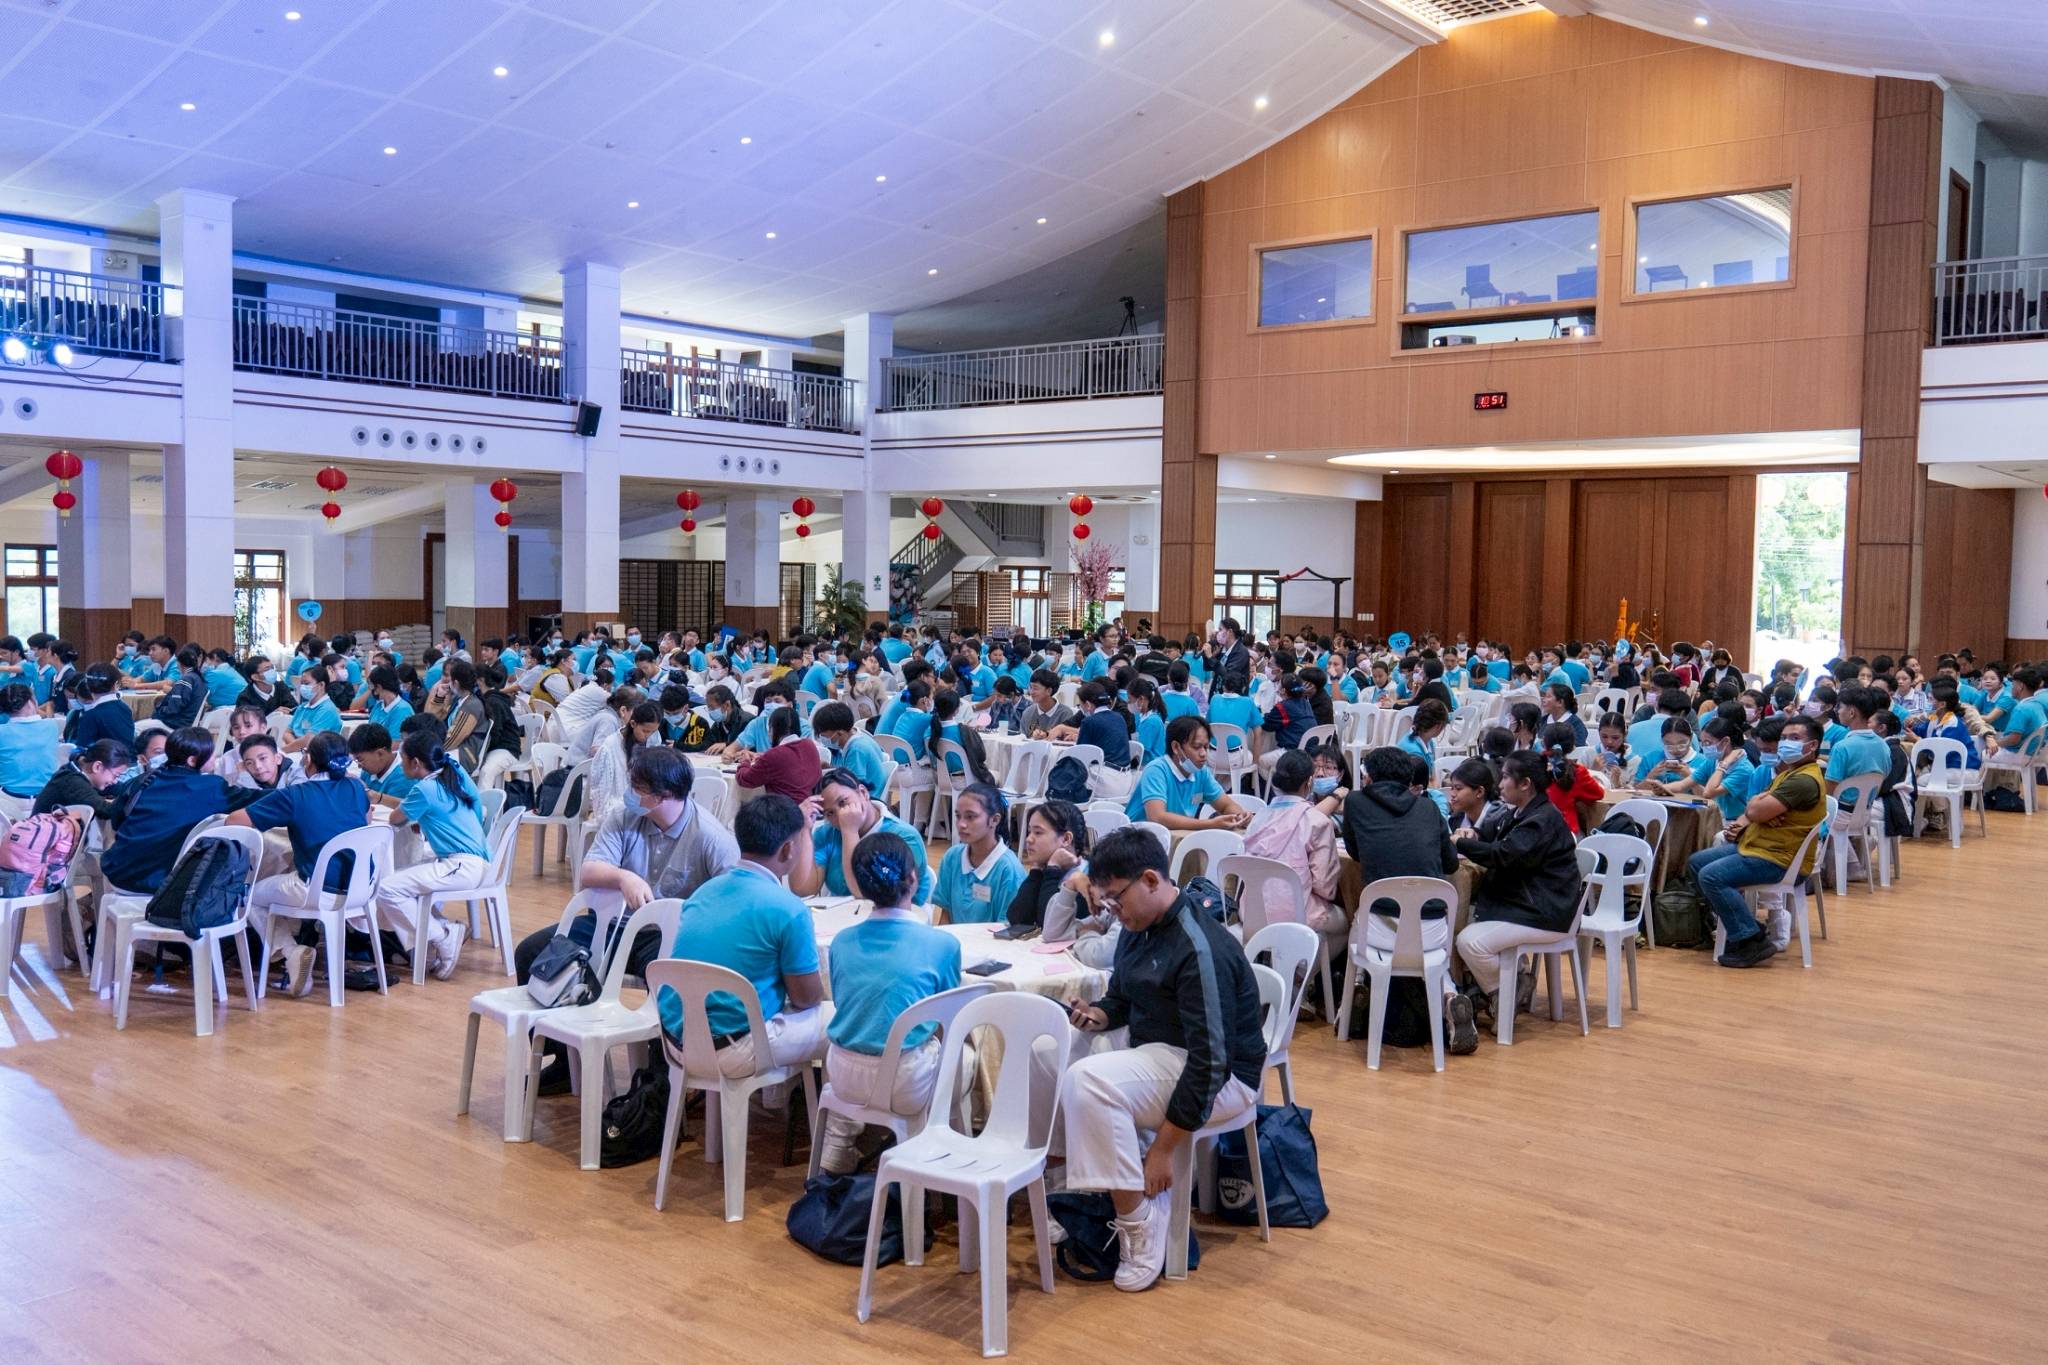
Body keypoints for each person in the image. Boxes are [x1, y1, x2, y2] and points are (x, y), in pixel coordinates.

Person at [1056, 828, 1266, 1293]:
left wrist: (1163, 1150)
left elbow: (1212, 1063)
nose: (1112, 909)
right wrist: (1098, 1015)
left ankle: (1138, 1219)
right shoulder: (1138, 926)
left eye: (1115, 897)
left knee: (1089, 1081)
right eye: (1105, 900)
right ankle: (1066, 1185)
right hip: (1160, 1054)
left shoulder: (1198, 945)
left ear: (1151, 880)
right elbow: (1122, 998)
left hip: (1225, 1078)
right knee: (1047, 1051)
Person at [515, 747, 739, 991]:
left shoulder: (711, 838)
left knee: (669, 981)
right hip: (612, 925)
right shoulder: (624, 817)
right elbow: (589, 871)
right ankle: (563, 1013)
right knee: (530, 952)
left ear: (661, 796)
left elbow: (736, 900)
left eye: (637, 787)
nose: (629, 793)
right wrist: (624, 878)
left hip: (666, 934)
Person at [815, 829, 965, 1175]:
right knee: (966, 1051)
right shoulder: (942, 944)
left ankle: (840, 1139)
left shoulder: (841, 941)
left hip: (842, 1075)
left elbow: (847, 1002)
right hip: (906, 1081)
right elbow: (948, 1022)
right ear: (913, 879)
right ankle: (944, 1144)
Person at [655, 793, 829, 1080]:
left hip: (675, 1042)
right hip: (732, 1049)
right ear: (788, 849)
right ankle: (825, 1108)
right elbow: (806, 998)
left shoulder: (703, 892)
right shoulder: (789, 909)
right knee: (840, 1023)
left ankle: (776, 1097)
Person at [1338, 745, 1473, 1049]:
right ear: (1409, 778)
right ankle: (1449, 995)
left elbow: (1355, 852)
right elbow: (1451, 864)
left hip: (1381, 931)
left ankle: (1358, 986)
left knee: (1358, 919)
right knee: (1432, 958)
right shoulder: (1428, 808)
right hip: (1433, 929)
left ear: (1369, 776)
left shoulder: (1356, 802)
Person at [229, 731, 371, 998]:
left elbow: (235, 821)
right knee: (288, 881)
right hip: (362, 889)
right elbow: (367, 822)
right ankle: (296, 950)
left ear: (308, 761)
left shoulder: (295, 795)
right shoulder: (356, 788)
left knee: (247, 896)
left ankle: (291, 951)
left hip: (317, 890)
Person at [1685, 715, 1828, 969]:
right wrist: (1759, 811)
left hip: (1781, 858)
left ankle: (1751, 940)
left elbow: (1753, 809)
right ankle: (1745, 927)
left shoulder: (1804, 780)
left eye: (1795, 738)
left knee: (1711, 876)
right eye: (1784, 738)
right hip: (1760, 846)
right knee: (1697, 863)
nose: (1786, 743)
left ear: (1812, 745)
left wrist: (1758, 809)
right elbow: (1756, 810)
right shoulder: (1790, 772)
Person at [1451, 751, 1585, 1020]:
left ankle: (1507, 990)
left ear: (1525, 784)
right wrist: (1474, 835)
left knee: (1468, 942)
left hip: (1545, 911)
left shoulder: (1540, 820)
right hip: (1530, 902)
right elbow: (1497, 839)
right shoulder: (1525, 812)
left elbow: (1503, 855)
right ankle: (1511, 982)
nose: (1499, 784)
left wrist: (1461, 843)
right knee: (1469, 919)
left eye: (1504, 778)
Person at [370, 729, 491, 979]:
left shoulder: (424, 789)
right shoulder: (453, 773)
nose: (400, 764)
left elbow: (395, 819)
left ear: (415, 763)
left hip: (461, 866)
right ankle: (439, 932)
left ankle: (442, 936)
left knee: (386, 888)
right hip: (477, 861)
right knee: (402, 882)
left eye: (403, 760)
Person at [1247, 748, 1348, 970]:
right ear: (1309, 782)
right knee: (1346, 924)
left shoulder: (1258, 817)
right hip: (1296, 914)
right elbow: (1324, 886)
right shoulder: (1317, 822)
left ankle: (1283, 971)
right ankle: (1299, 978)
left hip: (1251, 912)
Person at [99, 728, 232, 894]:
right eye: (211, 753)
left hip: (116, 870)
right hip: (154, 882)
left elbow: (117, 821)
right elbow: (254, 801)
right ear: (192, 760)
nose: (215, 757)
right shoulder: (211, 787)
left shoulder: (141, 780)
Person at [792, 766, 935, 906]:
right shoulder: (827, 834)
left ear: (863, 792)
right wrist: (804, 830)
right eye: (829, 813)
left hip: (897, 915)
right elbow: (803, 890)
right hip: (841, 915)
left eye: (843, 802)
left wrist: (850, 832)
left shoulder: (904, 836)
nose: (840, 815)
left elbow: (862, 893)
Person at [1125, 715, 1249, 831]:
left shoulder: (1201, 773)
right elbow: (1157, 817)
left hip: (1177, 838)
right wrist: (1209, 824)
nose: (1203, 753)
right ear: (1176, 747)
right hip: (1138, 839)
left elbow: (1226, 805)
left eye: (1206, 747)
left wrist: (1240, 816)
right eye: (1196, 747)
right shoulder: (1156, 770)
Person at [932, 783, 1025, 925]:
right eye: (958, 816)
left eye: (970, 817)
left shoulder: (1009, 871)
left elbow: (1005, 930)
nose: (961, 824)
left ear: (994, 820)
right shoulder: (952, 857)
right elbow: (946, 916)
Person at [1004, 798, 1090, 930]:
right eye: (1029, 832)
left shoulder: (1087, 877)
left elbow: (1048, 924)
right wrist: (1036, 871)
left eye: (1038, 833)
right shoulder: (1043, 868)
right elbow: (1017, 918)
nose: (1028, 839)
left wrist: (1053, 868)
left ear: (1066, 839)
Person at [735, 701, 824, 805]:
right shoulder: (810, 745)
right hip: (814, 807)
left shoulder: (773, 756)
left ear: (772, 729)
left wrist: (745, 762)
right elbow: (790, 761)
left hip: (785, 810)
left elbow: (745, 780)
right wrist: (763, 757)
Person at [32, 737, 134, 819]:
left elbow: (118, 788)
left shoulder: (76, 769)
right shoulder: (72, 781)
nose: (115, 781)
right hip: (43, 836)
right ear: (97, 767)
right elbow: (106, 811)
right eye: (116, 775)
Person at [1537, 723, 1606, 835]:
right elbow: (1598, 794)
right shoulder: (1576, 772)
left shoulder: (1533, 765)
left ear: (1543, 742)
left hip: (1533, 828)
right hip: (1565, 833)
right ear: (1573, 747)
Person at [0, 682, 62, 807]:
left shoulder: (2, 732)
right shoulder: (52, 726)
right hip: (46, 799)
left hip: (8, 801)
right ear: (31, 701)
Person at [284, 668, 342, 752]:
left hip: (318, 755)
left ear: (321, 685)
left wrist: (282, 751)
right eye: (302, 683)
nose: (302, 687)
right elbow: (287, 733)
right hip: (299, 752)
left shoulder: (327, 709)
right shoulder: (302, 707)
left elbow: (309, 741)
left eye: (306, 683)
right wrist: (298, 749)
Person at [1016, 669, 1076, 738]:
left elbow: (1069, 740)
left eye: (1035, 688)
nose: (1031, 692)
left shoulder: (1065, 714)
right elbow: (1022, 739)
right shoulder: (1028, 712)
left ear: (1049, 691)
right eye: (1030, 687)